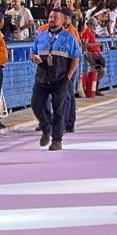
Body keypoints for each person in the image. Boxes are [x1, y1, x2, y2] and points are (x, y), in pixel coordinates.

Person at [30, 9, 81, 151]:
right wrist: (34, 57)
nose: (52, 19)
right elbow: (33, 51)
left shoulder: (69, 37)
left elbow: (76, 57)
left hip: (60, 78)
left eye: (55, 17)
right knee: (36, 104)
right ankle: (47, 127)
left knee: (59, 110)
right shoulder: (41, 36)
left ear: (62, 20)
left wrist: (68, 77)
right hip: (42, 77)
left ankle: (57, 140)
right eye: (50, 16)